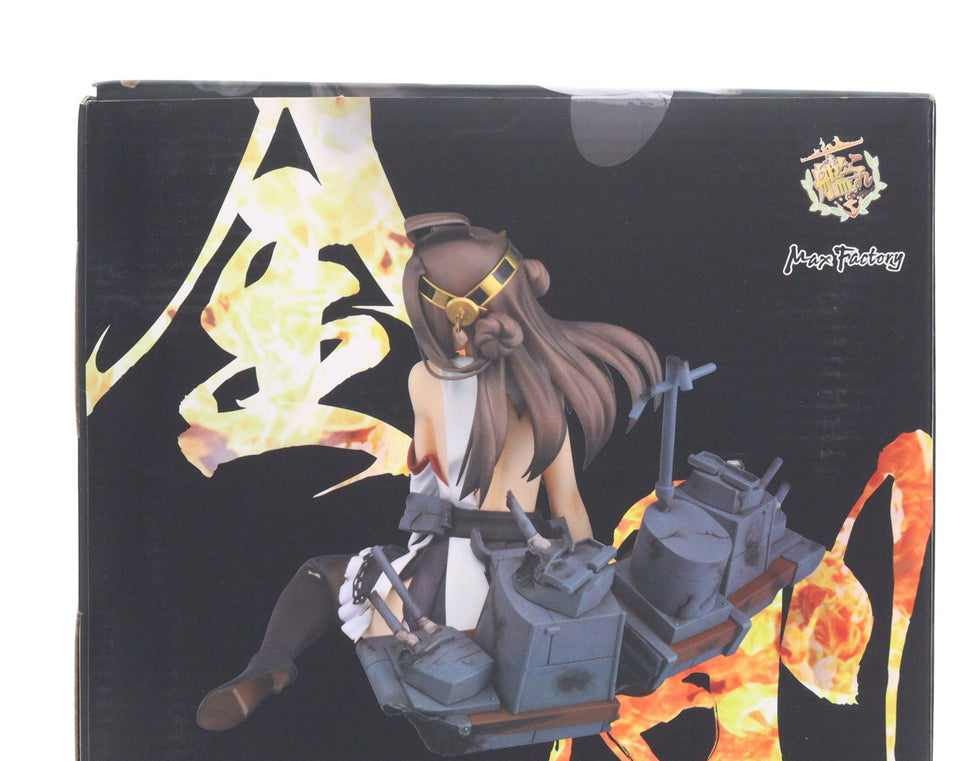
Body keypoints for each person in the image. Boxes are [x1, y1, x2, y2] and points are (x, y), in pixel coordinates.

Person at [196, 212, 661, 731]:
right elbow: (569, 503)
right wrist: (589, 596)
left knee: (322, 573)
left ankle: (271, 661)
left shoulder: (426, 381)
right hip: (524, 582)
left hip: (442, 595)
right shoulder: (546, 392)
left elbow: (428, 487)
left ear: (455, 318)